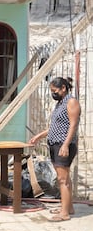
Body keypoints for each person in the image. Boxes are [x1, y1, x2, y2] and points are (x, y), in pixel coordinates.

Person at [29, 77, 80, 222]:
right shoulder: (60, 104)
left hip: (63, 145)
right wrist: (38, 136)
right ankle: (68, 207)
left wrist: (65, 145)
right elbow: (54, 127)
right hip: (55, 143)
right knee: (64, 178)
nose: (53, 94)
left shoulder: (71, 102)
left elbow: (73, 125)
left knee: (62, 179)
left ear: (63, 88)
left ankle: (64, 214)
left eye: (55, 91)